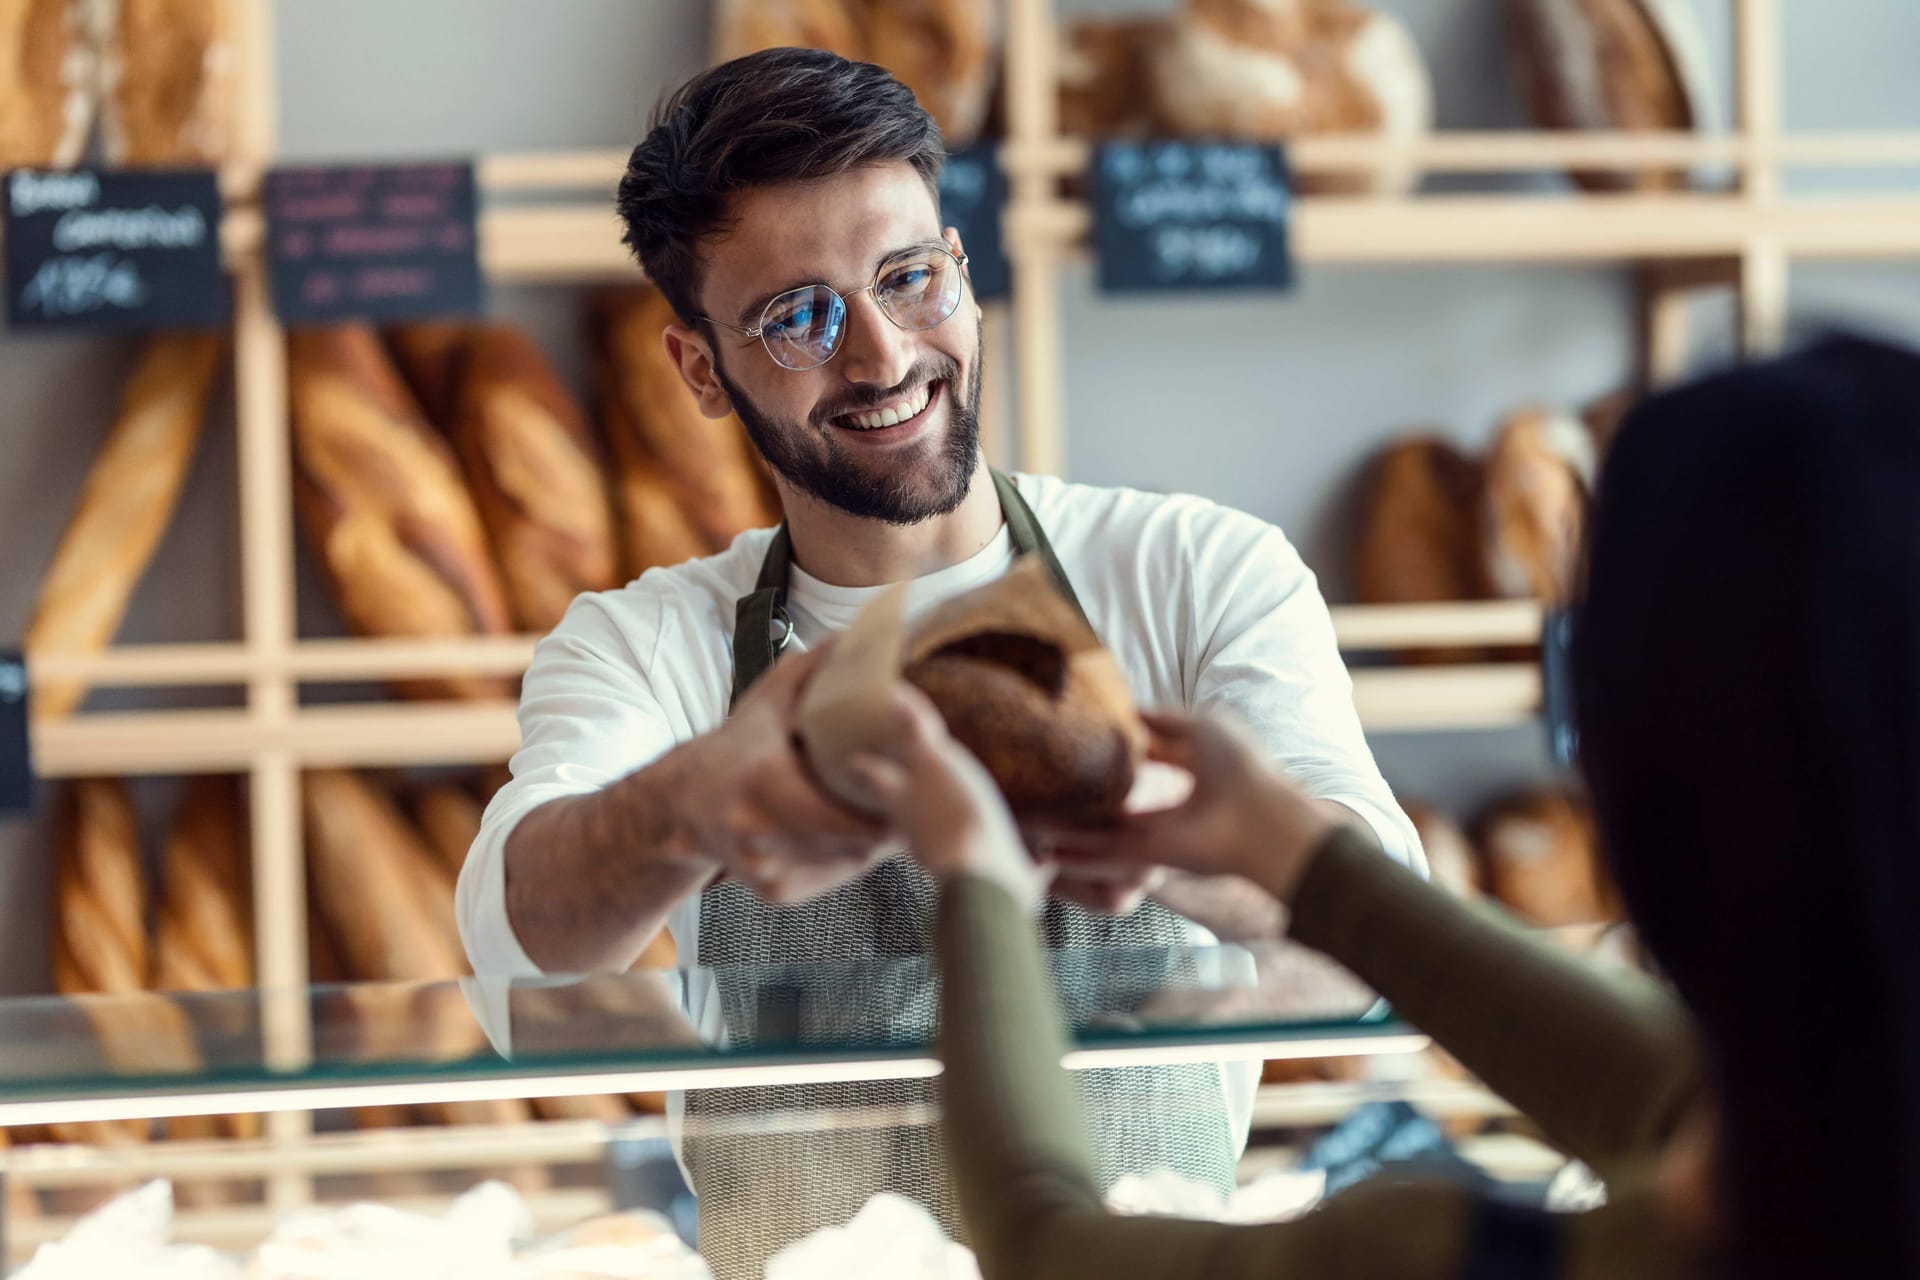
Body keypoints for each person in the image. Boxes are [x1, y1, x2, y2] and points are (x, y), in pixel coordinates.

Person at [455, 46, 1420, 1273]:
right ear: (701, 367)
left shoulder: (1196, 570)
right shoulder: (647, 643)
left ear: (961, 271)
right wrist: (699, 799)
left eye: (909, 277)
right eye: (798, 315)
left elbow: (1383, 930)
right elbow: (519, 969)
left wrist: (1147, 812)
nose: (883, 355)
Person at [859, 334, 1920, 1279]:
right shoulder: (1843, 1144)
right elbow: (1650, 1076)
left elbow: (1048, 1244)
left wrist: (979, 882)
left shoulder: (1437, 1255)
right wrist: (1292, 849)